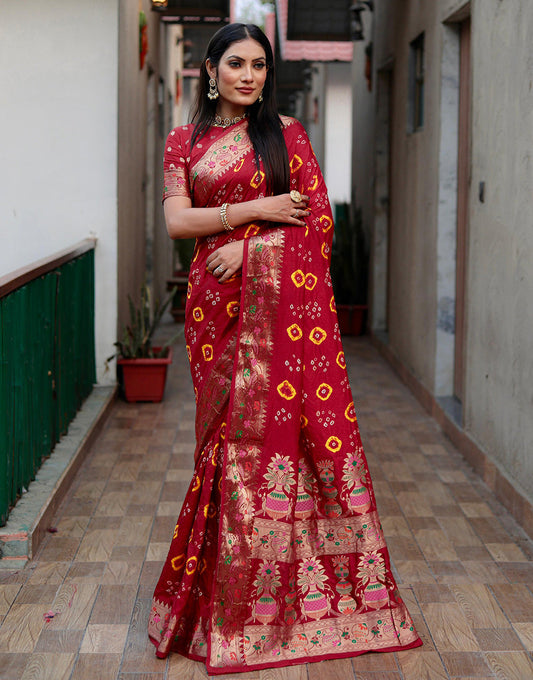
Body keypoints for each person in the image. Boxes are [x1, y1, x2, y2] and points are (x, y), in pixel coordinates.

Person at [148, 22, 422, 674]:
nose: (249, 75)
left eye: (260, 65)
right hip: (213, 316)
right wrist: (253, 211)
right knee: (219, 449)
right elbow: (176, 221)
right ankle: (221, 596)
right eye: (236, 63)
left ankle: (268, 601)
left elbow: (317, 223)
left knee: (271, 448)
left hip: (273, 310)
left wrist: (247, 245)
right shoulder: (183, 140)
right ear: (210, 69)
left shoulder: (287, 135)